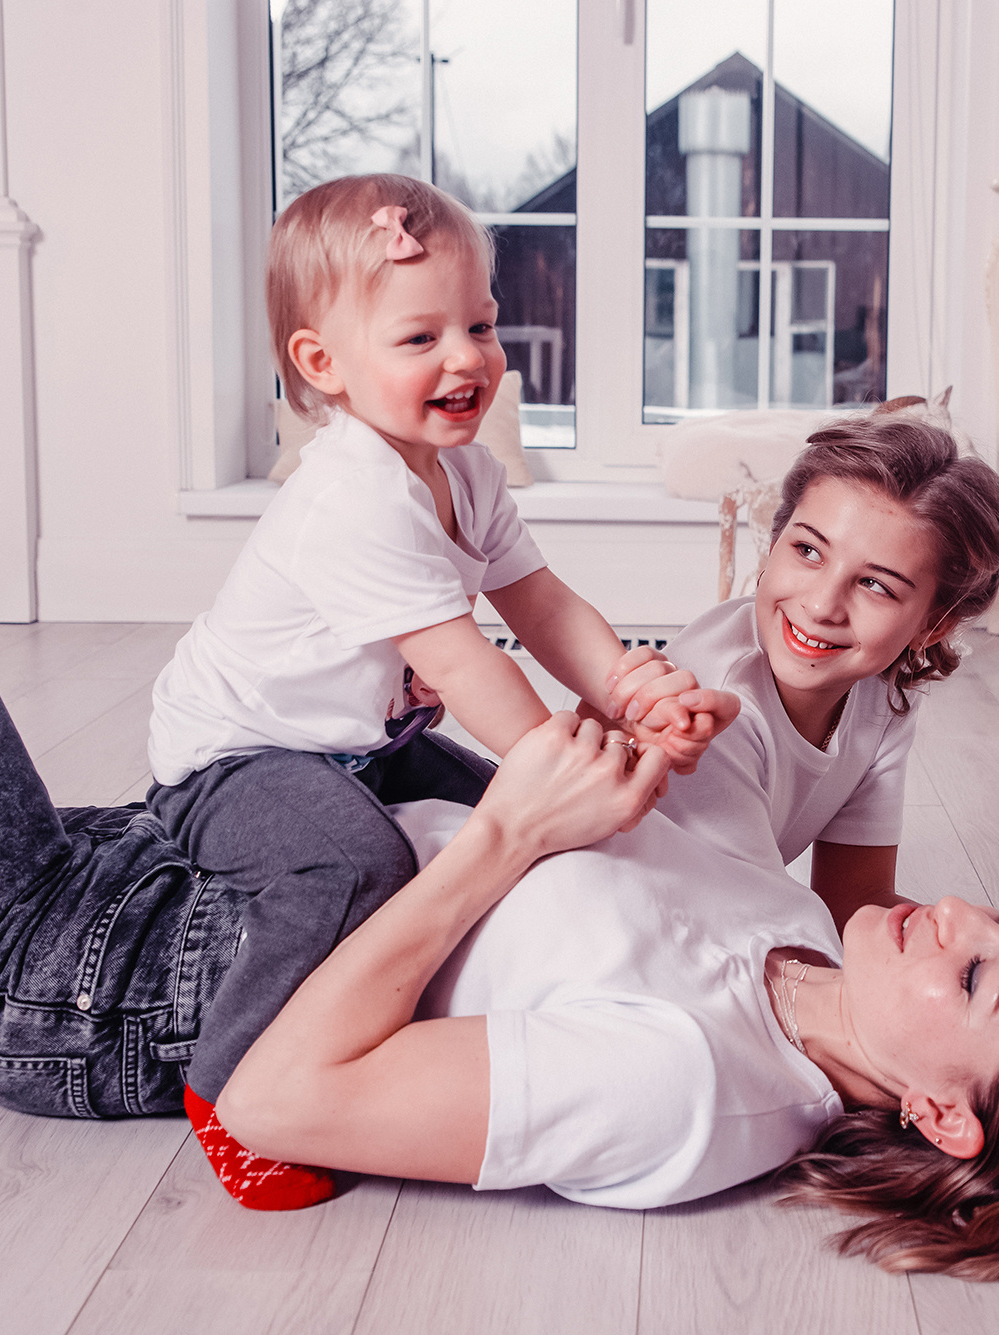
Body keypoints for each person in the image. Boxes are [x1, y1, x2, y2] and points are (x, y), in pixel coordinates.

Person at [0, 468, 999, 1276]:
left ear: (943, 1114)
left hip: (83, 971)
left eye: (976, 970)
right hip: (159, 850)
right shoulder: (799, 934)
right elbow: (781, 714)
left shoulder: (685, 1089)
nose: (960, 916)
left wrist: (501, 836)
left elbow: (276, 1095)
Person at [141, 174, 730, 1207]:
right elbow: (463, 662)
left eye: (480, 325)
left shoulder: (467, 476)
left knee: (473, 832)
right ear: (323, 364)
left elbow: (540, 604)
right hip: (241, 752)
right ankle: (228, 1087)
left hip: (364, 735)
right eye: (419, 340)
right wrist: (559, 767)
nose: (466, 358)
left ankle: (412, 995)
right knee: (353, 861)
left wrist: (628, 689)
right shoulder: (350, 495)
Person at [641, 408, 999, 929]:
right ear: (774, 545)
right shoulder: (715, 706)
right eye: (808, 550)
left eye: (876, 585)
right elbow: (765, 937)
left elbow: (853, 903)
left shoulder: (881, 696)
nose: (821, 605)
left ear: (933, 625)